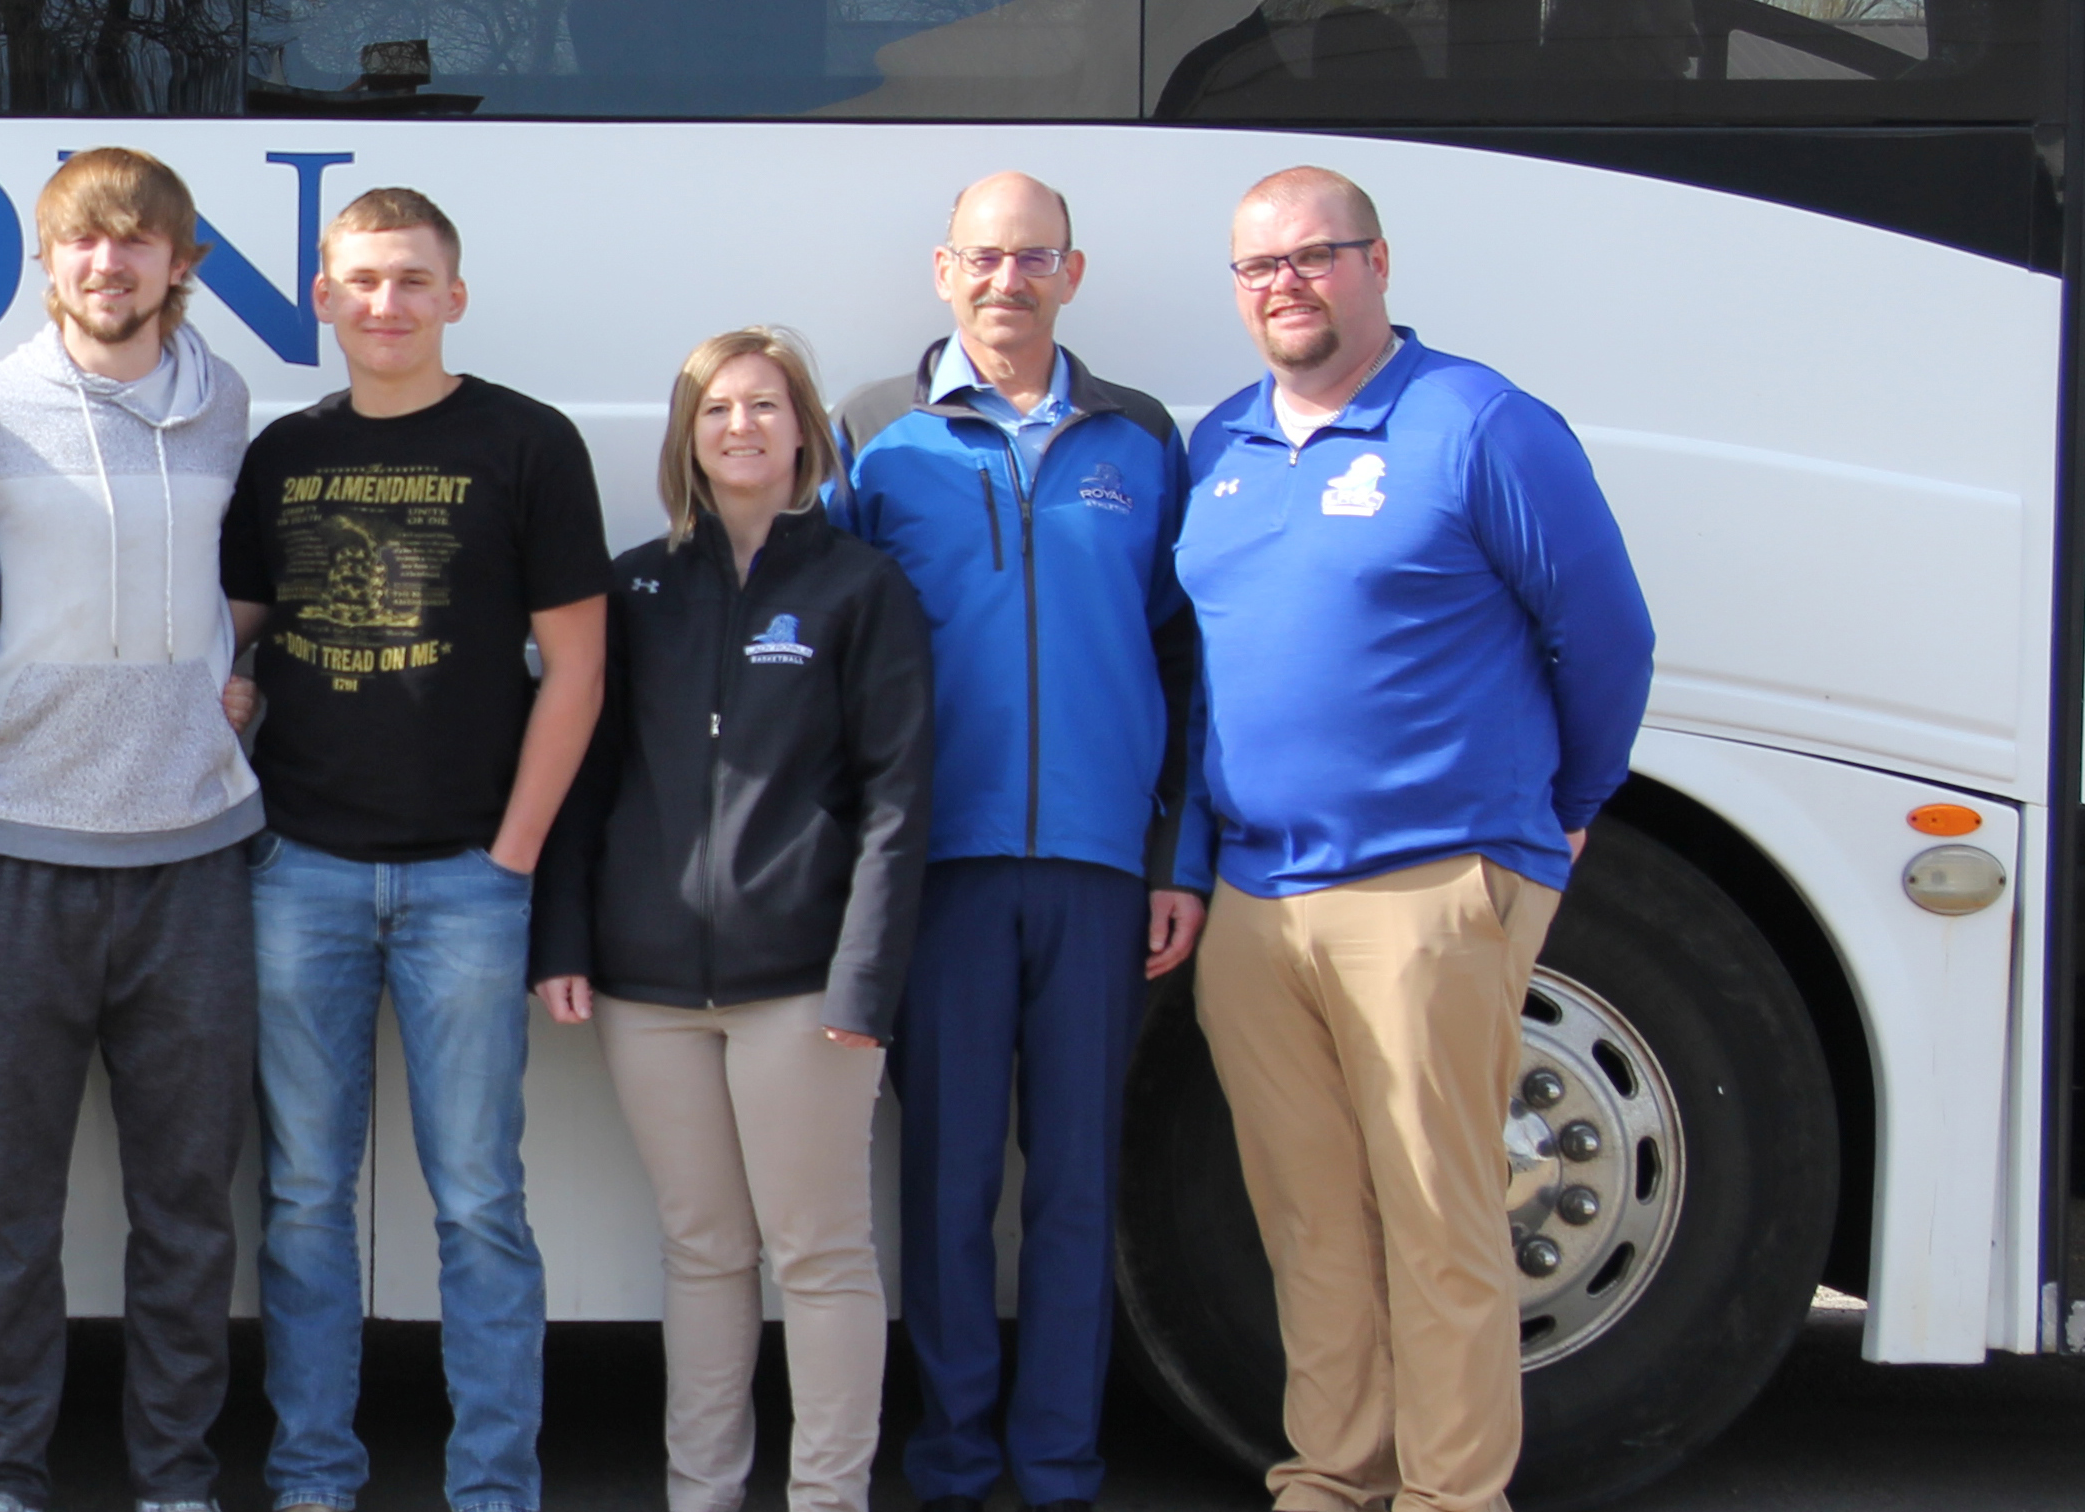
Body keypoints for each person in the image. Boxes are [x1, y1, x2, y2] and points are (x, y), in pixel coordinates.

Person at [1176, 166, 1654, 1512]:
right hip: (1258, 897)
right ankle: (1334, 1479)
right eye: (1260, 266)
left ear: (1378, 263)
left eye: (1315, 257)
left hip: (1431, 888)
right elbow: (1212, 675)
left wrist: (1562, 812)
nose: (1287, 285)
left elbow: (1606, 636)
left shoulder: (1479, 424)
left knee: (1441, 1223)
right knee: (1313, 1229)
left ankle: (1452, 1498)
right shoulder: (1220, 445)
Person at [217, 185, 607, 1512]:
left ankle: (495, 1489)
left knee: (479, 1207)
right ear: (322, 299)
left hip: (464, 884)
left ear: (454, 295)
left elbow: (578, 671)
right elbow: (235, 640)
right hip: (301, 870)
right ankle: (314, 1479)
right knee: (306, 1201)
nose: (384, 303)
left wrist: (511, 857)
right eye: (361, 280)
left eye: (410, 279)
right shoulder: (281, 457)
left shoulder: (529, 444)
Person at [825, 171, 1206, 1512]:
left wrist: (1182, 859)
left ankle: (1056, 1461)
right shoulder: (878, 433)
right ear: (944, 270)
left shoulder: (1141, 438)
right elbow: (831, 651)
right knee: (945, 1178)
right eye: (985, 259)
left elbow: (1187, 655)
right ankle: (951, 1453)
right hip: (942, 869)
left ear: (1073, 272)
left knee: (1076, 1184)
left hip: (1104, 871)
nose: (1008, 281)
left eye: (1032, 259)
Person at [538, 327, 931, 1512]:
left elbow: (898, 801)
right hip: (646, 990)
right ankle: (700, 1492)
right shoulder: (635, 584)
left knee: (818, 1255)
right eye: (716, 410)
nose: (741, 428)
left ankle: (827, 1496)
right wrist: (563, 940)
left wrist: (865, 984)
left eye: (765, 406)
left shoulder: (861, 587)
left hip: (802, 987)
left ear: (805, 430)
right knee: (702, 1252)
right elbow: (584, 777)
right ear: (686, 438)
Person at [0, 145, 257, 1512]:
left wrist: (246, 677)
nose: (108, 265)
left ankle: (173, 1475)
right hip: (11, 852)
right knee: (12, 1212)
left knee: (187, 1212)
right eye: (82, 243)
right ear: (49, 263)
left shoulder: (228, 400)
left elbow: (250, 585)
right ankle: (8, 1473)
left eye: (138, 242)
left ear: (180, 263)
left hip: (192, 858)